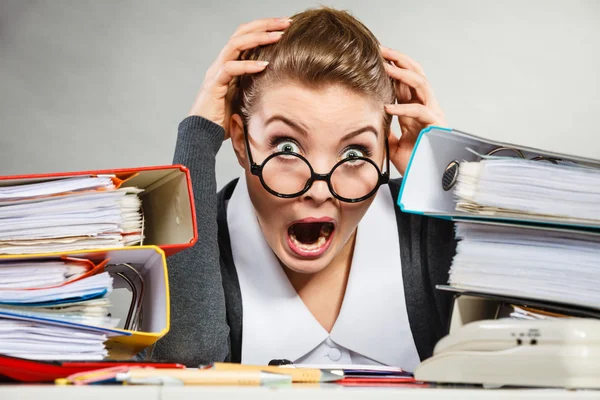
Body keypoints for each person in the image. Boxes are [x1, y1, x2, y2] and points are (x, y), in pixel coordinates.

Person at [152, 7, 456, 369]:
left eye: (355, 152)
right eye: (286, 148)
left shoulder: (425, 226)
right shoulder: (200, 242)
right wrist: (198, 140)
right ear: (240, 141)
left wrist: (444, 178)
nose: (320, 191)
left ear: (386, 151)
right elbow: (186, 372)